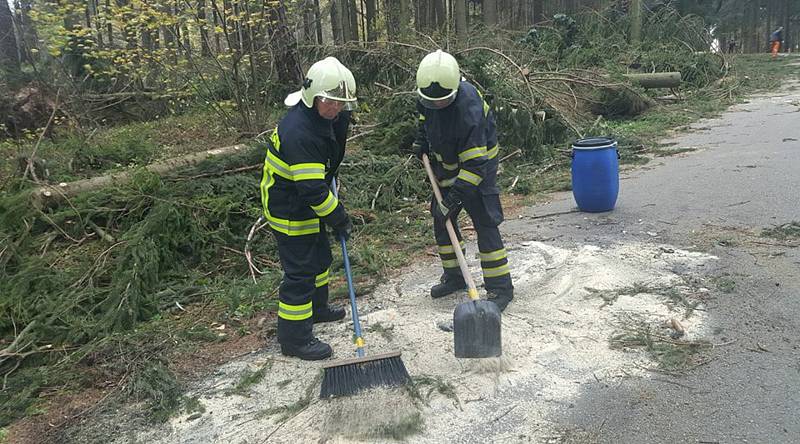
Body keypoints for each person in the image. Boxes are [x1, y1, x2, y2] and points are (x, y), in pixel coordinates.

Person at [260, 57, 356, 360]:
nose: (336, 108)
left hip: (306, 201)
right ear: (313, 96)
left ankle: (318, 309)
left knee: (320, 257)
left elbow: (323, 170)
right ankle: (295, 339)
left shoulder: (325, 119)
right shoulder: (300, 131)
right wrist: (338, 217)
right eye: (330, 102)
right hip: (289, 207)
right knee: (300, 273)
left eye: (341, 103)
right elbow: (313, 190)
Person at [411, 50, 514, 312]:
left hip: (478, 167)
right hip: (445, 164)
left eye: (441, 101)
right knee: (441, 218)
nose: (435, 105)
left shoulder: (469, 107)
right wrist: (422, 140)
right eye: (430, 101)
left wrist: (455, 196)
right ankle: (456, 277)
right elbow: (425, 119)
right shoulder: (428, 95)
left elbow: (475, 163)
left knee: (485, 221)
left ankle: (500, 287)